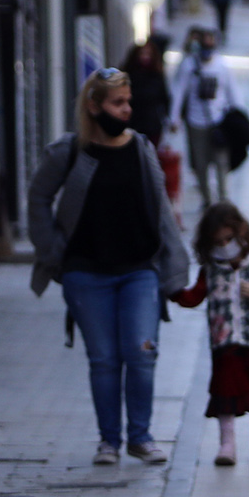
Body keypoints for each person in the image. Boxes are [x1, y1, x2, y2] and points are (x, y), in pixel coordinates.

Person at [28, 67, 191, 466]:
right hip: (86, 272)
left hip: (139, 270)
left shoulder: (140, 148)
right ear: (94, 105)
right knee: (103, 359)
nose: (126, 110)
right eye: (118, 103)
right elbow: (37, 198)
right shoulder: (69, 151)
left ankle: (141, 436)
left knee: (141, 351)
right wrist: (54, 252)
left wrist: (175, 268)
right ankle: (109, 442)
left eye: (128, 102)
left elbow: (161, 210)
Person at [171, 202, 249, 466]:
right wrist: (173, 291)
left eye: (230, 239)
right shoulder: (211, 270)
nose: (226, 246)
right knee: (225, 391)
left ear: (242, 234)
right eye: (219, 242)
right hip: (224, 343)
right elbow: (194, 296)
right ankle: (227, 442)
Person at [172, 28, 241, 206]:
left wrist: (238, 117)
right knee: (200, 164)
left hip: (218, 121)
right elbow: (180, 92)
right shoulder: (189, 64)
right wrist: (174, 118)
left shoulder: (221, 65)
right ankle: (207, 199)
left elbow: (232, 91)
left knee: (221, 162)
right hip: (196, 122)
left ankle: (223, 198)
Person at [120, 38, 172, 147]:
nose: (145, 57)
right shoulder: (128, 76)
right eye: (142, 53)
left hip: (152, 124)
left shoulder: (156, 76)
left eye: (148, 54)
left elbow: (165, 98)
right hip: (132, 123)